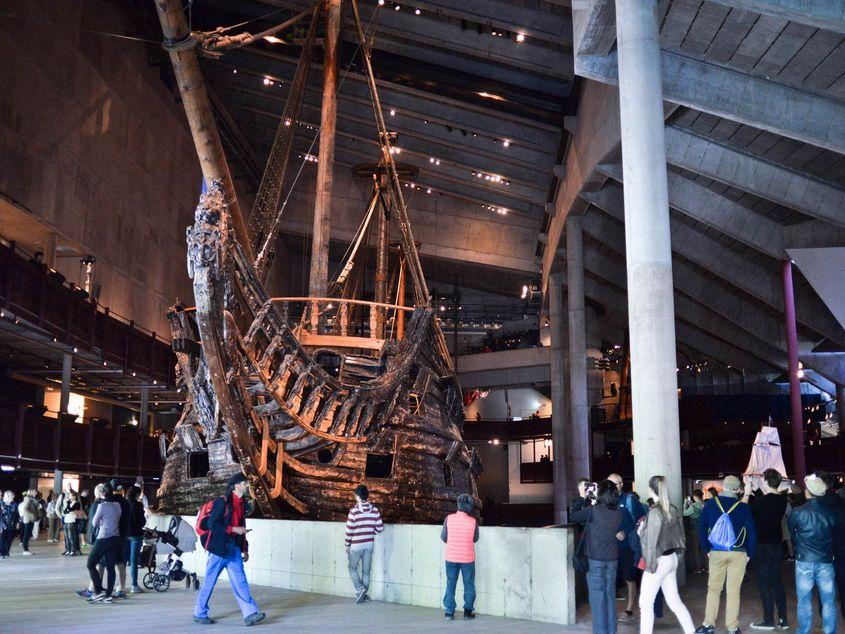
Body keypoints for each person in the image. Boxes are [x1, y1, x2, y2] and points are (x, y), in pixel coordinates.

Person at [193, 472, 265, 627]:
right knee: (210, 582)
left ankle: (250, 614)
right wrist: (233, 529)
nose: (247, 485)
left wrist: (244, 548)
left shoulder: (241, 504)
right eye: (245, 483)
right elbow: (213, 524)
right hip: (218, 549)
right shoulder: (222, 502)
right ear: (237, 485)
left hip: (233, 549)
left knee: (241, 582)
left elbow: (242, 528)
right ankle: (199, 612)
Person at [695, 475, 757, 634]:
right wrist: (749, 553)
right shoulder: (743, 507)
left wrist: (706, 549)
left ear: (722, 488)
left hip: (716, 551)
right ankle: (732, 628)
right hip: (738, 553)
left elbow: (702, 529)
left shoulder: (710, 505)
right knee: (733, 591)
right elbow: (751, 532)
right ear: (737, 490)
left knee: (714, 589)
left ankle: (708, 625)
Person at [571, 480, 630, 634]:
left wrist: (582, 497)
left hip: (596, 560)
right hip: (612, 560)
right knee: (609, 598)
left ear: (601, 493)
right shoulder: (618, 512)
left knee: (598, 600)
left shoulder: (593, 511)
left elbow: (573, 516)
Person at [638, 476, 696, 634]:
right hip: (671, 559)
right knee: (675, 602)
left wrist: (640, 532)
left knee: (645, 604)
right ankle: (691, 631)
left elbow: (651, 543)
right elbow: (681, 536)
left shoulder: (655, 512)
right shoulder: (673, 508)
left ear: (651, 489)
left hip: (658, 561)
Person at [788, 474, 837, 634]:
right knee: (829, 601)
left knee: (804, 600)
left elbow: (791, 531)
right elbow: (835, 535)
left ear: (808, 492)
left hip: (804, 560)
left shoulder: (798, 512)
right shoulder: (831, 513)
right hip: (826, 560)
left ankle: (804, 630)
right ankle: (829, 631)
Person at [749, 469, 788, 631]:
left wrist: (748, 491)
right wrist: (756, 489)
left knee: (764, 584)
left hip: (762, 546)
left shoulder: (759, 503)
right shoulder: (783, 500)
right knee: (777, 582)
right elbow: (767, 498)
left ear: (765, 480)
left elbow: (750, 508)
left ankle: (768, 620)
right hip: (777, 545)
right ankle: (783, 620)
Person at [608, 473, 643, 622]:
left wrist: (627, 532)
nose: (612, 486)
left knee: (630, 579)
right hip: (610, 548)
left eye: (615, 483)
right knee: (610, 578)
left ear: (622, 484)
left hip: (627, 547)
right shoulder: (605, 501)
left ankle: (629, 610)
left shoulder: (629, 500)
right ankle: (609, 610)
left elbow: (642, 520)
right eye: (609, 483)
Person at [441, 493, 479, 621]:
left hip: (451, 557)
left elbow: (443, 537)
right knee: (469, 585)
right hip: (467, 558)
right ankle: (467, 612)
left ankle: (449, 612)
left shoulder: (449, 518)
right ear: (469, 506)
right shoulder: (473, 521)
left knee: (450, 583)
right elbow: (475, 538)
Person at [344, 484, 384, 604]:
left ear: (357, 496)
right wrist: (372, 531)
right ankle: (364, 595)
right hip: (369, 545)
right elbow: (380, 528)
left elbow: (349, 530)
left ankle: (360, 589)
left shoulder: (354, 511)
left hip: (356, 545)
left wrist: (347, 544)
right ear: (367, 496)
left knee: (352, 568)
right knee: (366, 571)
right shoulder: (375, 510)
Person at [86, 483, 123, 604]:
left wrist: (102, 521)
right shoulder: (118, 505)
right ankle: (108, 595)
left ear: (102, 493)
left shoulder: (102, 506)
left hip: (103, 538)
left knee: (91, 564)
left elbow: (94, 523)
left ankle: (97, 592)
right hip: (115, 538)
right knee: (110, 568)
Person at [125, 485, 146, 593]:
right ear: (137, 494)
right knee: (134, 561)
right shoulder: (138, 505)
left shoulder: (125, 503)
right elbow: (142, 521)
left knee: (123, 561)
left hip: (125, 535)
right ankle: (134, 585)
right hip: (136, 535)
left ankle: (121, 586)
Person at [684, 490, 705, 574]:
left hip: (695, 529)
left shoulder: (693, 506)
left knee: (696, 549)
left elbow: (685, 513)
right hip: (703, 528)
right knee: (704, 548)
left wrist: (685, 504)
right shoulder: (705, 505)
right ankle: (706, 567)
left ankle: (698, 568)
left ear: (695, 496)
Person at [18, 490, 39, 555]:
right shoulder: (28, 499)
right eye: (34, 492)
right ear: (31, 492)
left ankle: (26, 549)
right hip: (28, 519)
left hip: (31, 519)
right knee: (26, 534)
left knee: (28, 533)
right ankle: (25, 550)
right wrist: (32, 515)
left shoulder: (32, 498)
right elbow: (25, 509)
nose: (36, 492)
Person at [62, 490, 82, 556]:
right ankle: (68, 550)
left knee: (71, 537)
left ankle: (73, 550)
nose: (69, 496)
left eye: (70, 495)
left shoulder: (77, 503)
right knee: (67, 537)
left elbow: (71, 509)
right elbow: (65, 511)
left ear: (74, 496)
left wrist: (68, 507)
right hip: (66, 520)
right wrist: (68, 509)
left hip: (72, 521)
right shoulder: (69, 503)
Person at [0, 490, 19, 559]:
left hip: (11, 525)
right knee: (2, 540)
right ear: (7, 496)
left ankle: (6, 551)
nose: (13, 497)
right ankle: (2, 553)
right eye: (11, 496)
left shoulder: (14, 504)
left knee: (9, 539)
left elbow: (16, 514)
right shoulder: (1, 503)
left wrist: (17, 522)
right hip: (2, 525)